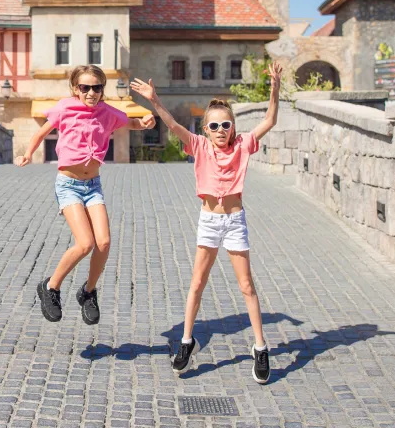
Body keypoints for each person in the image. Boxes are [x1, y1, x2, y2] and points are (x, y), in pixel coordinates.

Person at [131, 63, 283, 384]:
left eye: (226, 125)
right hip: (209, 221)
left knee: (246, 286)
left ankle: (260, 347)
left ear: (233, 127)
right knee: (197, 283)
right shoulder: (199, 146)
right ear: (205, 130)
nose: (220, 131)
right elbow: (172, 125)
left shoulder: (242, 145)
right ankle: (187, 342)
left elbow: (269, 120)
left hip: (235, 220)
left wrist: (275, 87)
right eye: (214, 126)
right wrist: (156, 101)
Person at [16, 65, 155, 325]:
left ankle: (88, 292)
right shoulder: (65, 108)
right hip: (68, 185)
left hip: (93, 185)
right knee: (85, 244)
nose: (91, 92)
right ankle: (51, 287)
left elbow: (129, 123)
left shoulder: (108, 112)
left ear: (103, 89)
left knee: (103, 243)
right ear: (75, 89)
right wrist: (26, 154)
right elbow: (41, 132)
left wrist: (146, 124)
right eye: (85, 87)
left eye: (97, 87)